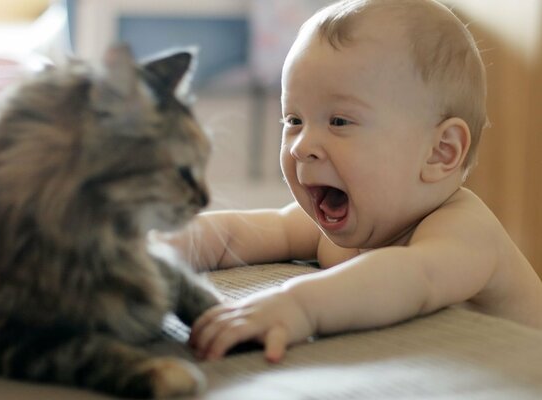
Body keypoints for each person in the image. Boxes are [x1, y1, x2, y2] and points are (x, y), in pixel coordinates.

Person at [162, 0, 542, 363]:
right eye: (293, 120)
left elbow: (409, 278)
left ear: (439, 152)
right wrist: (160, 250)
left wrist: (298, 305)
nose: (301, 147)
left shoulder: (465, 232)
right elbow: (239, 234)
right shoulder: (342, 225)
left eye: (339, 122)